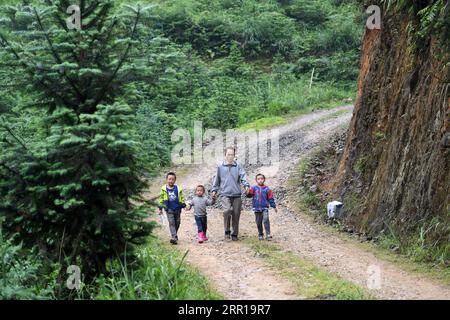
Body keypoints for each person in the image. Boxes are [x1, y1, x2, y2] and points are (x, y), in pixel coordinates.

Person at [211, 147, 250, 241]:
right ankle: (227, 231)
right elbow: (217, 179)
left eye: (232, 154)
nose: (230, 156)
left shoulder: (238, 166)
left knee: (236, 214)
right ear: (225, 155)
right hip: (225, 194)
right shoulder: (220, 167)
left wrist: (246, 185)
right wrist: (214, 190)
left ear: (234, 155)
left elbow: (243, 176)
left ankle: (234, 234)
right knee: (227, 211)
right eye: (228, 154)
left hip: (236, 194)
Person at [246, 173, 278, 240]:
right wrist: (248, 192)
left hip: (264, 208)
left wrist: (274, 206)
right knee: (258, 222)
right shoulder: (254, 188)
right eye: (258, 179)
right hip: (256, 208)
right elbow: (249, 196)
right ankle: (260, 234)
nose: (260, 180)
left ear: (264, 180)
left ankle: (268, 234)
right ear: (256, 180)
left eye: (261, 179)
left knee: (266, 219)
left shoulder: (267, 189)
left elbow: (270, 198)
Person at [158, 172, 186, 244]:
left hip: (177, 208)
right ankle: (173, 237)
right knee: (171, 223)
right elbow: (161, 199)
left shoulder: (178, 189)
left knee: (177, 222)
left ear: (175, 180)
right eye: (169, 179)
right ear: (166, 180)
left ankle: (175, 235)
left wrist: (183, 204)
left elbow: (182, 198)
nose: (171, 181)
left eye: (172, 179)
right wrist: (160, 208)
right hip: (169, 209)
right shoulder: (164, 189)